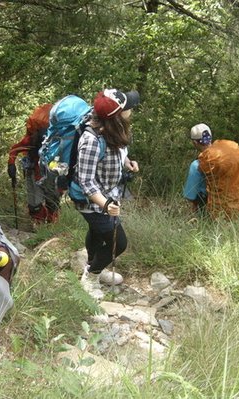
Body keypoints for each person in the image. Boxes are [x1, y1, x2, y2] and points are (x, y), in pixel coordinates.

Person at [73, 88, 140, 299]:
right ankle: (91, 276)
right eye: (127, 107)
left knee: (96, 232)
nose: (131, 109)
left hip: (108, 196)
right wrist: (104, 204)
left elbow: (117, 154)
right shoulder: (91, 140)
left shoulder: (113, 130)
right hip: (92, 201)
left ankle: (94, 266)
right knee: (118, 243)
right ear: (116, 115)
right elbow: (85, 179)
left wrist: (127, 164)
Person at [183, 123, 239, 219]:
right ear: (210, 138)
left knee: (199, 193)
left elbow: (190, 195)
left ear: (195, 143)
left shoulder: (197, 165)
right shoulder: (232, 150)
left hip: (220, 213)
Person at [7, 103, 62, 224]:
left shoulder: (57, 142)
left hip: (49, 173)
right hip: (34, 171)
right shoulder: (31, 139)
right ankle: (41, 226)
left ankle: (50, 227)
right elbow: (14, 150)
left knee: (52, 202)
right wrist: (11, 164)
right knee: (35, 205)